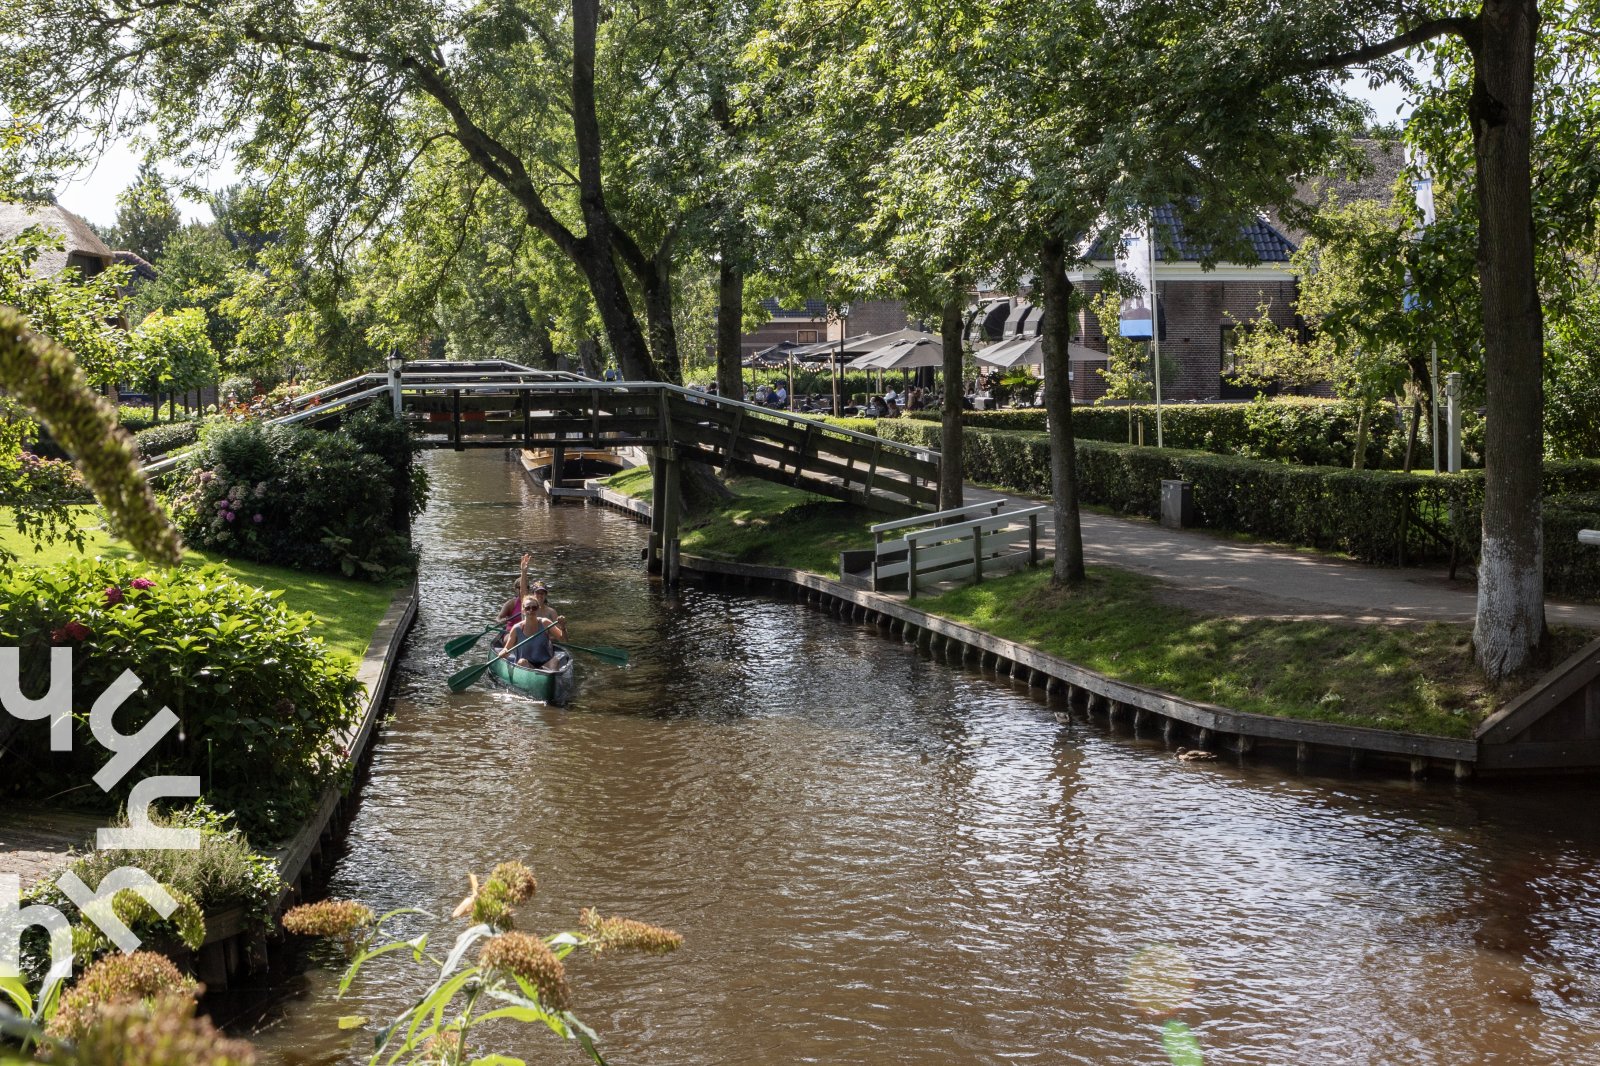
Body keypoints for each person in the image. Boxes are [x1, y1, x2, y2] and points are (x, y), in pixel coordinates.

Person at [500, 581, 567, 668]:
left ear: (537, 608)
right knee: (522, 662)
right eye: (528, 608)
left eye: (534, 608)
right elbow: (507, 649)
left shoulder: (545, 622)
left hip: (544, 665)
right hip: (526, 665)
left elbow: (563, 639)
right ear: (523, 611)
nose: (531, 610)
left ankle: (550, 678)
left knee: (555, 660)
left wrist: (563, 627)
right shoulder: (516, 628)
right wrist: (503, 652)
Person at [497, 553, 532, 631]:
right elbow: (498, 618)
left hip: (528, 631)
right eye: (519, 588)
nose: (523, 589)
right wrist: (501, 621)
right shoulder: (511, 604)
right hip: (511, 631)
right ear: (515, 589)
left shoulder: (533, 603)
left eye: (527, 587)